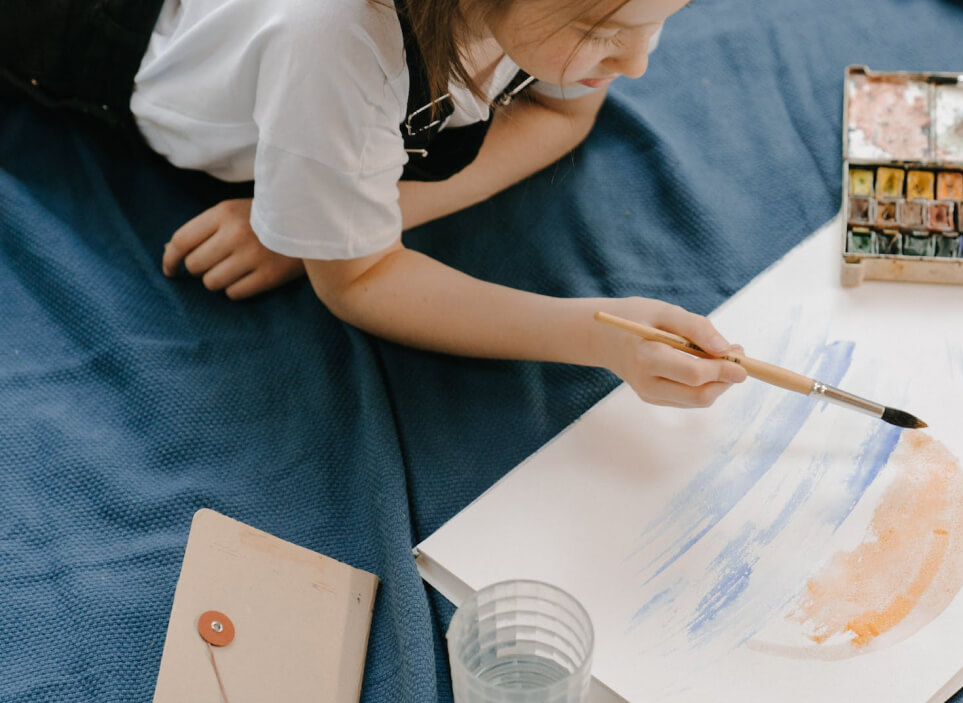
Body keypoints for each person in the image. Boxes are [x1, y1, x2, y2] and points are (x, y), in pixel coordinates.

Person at [0, 0, 747, 408]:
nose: (639, 64)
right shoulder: (338, 42)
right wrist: (597, 335)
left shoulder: (548, 26)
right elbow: (358, 282)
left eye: (661, 20)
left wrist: (333, 221)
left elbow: (561, 116)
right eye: (604, 32)